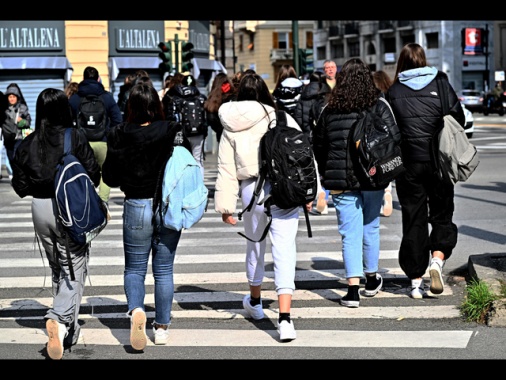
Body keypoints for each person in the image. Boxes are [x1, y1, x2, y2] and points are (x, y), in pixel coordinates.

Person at [215, 72, 312, 342]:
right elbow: (302, 153)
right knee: (284, 249)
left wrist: (225, 206)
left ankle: (255, 303)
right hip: (283, 190)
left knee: (255, 244)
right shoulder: (279, 116)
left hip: (250, 190)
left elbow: (226, 167)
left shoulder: (230, 123)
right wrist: (310, 192)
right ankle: (285, 319)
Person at [10, 88, 101, 360]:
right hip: (67, 208)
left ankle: (66, 331)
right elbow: (94, 175)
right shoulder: (73, 136)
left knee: (58, 267)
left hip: (40, 209)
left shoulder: (28, 142)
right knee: (74, 267)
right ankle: (59, 319)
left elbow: (20, 185)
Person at [102, 83, 190, 350]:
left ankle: (136, 310)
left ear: (130, 106)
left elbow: (110, 177)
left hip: (136, 205)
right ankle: (161, 327)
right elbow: (185, 162)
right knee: (164, 270)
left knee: (134, 268)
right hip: (167, 204)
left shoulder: (119, 133)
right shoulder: (170, 129)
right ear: (156, 104)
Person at [313, 58, 400, 308]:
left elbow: (319, 145)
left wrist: (327, 172)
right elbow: (394, 138)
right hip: (372, 177)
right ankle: (371, 279)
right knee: (370, 226)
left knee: (349, 234)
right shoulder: (379, 105)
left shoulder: (329, 109)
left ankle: (352, 290)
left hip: (341, 179)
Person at [385, 43, 465, 299]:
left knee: (413, 218)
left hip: (408, 165)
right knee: (442, 214)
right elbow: (458, 117)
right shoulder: (440, 82)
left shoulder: (394, 90)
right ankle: (437, 261)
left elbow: (389, 130)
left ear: (402, 62)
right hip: (439, 163)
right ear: (423, 59)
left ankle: (415, 282)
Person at [69, 66, 123, 206]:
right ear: (98, 79)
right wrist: (108, 134)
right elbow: (118, 120)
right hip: (103, 142)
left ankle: (88, 199)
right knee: (105, 172)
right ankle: (103, 201)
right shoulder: (106, 97)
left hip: (82, 144)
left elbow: (67, 121)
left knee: (84, 172)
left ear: (83, 79)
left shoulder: (75, 99)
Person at [167, 74, 208, 177]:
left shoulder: (175, 98)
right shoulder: (201, 98)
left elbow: (170, 117)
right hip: (199, 133)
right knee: (198, 160)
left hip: (182, 133)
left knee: (182, 161)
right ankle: (199, 186)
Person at [372, 70, 395, 217]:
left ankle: (382, 194)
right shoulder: (390, 95)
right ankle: (388, 192)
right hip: (388, 138)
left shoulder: (373, 99)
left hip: (374, 139)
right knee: (387, 166)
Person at [1, 83, 32, 166]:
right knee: (11, 158)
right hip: (8, 139)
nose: (12, 99)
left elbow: (28, 122)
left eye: (14, 97)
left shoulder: (23, 108)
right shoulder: (3, 109)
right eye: (10, 97)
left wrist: (22, 121)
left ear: (17, 97)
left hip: (19, 138)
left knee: (18, 158)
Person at [204, 72, 235, 143]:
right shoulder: (233, 96)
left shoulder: (212, 99)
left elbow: (211, 118)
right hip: (235, 133)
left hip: (222, 136)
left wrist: (220, 129)